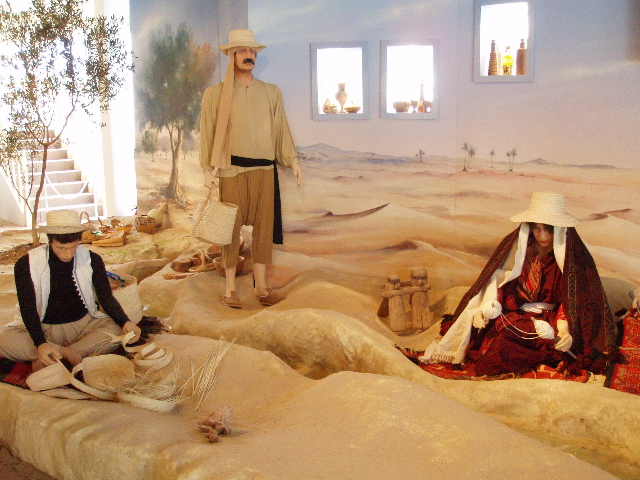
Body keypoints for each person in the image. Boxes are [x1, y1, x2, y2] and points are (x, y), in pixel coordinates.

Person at [420, 191, 616, 375]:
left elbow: (573, 300)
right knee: (502, 337)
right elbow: (500, 283)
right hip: (515, 315)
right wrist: (487, 307)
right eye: (536, 229)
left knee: (548, 343)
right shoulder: (518, 252)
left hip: (552, 320)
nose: (542, 236)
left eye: (548, 230)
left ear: (559, 231)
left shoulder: (571, 259)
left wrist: (565, 329)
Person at [199, 29, 302, 309]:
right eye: (242, 51)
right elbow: (208, 132)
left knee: (264, 230)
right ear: (232, 55)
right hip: (231, 170)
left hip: (264, 171)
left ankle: (262, 287)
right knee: (229, 230)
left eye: (252, 50)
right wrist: (207, 169)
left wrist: (291, 160)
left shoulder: (270, 93)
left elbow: (280, 128)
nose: (249, 55)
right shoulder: (215, 95)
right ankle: (231, 289)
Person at [0, 209, 141, 371]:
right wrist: (40, 343)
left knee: (116, 329)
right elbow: (28, 308)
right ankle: (66, 353)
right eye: (61, 248)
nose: (67, 254)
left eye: (73, 247)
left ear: (79, 240)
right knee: (5, 339)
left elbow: (106, 297)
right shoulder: (26, 264)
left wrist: (125, 321)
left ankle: (58, 355)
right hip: (43, 326)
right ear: (50, 241)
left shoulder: (92, 260)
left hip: (83, 325)